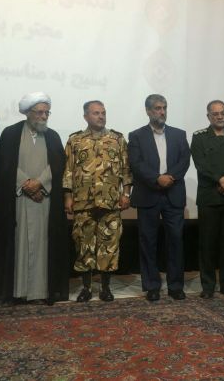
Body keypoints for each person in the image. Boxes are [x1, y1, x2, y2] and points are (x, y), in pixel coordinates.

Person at [0, 92, 70, 305]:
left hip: (45, 200)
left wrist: (40, 183)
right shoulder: (11, 133)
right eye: (39, 112)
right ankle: (16, 292)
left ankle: (39, 292)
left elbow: (58, 165)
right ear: (28, 113)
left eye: (47, 112)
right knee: (17, 245)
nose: (44, 116)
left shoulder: (53, 136)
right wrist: (26, 184)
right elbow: (5, 165)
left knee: (42, 246)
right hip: (17, 200)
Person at [63, 101, 132, 303]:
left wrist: (126, 194)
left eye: (103, 113)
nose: (101, 116)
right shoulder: (75, 140)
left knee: (108, 246)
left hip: (110, 203)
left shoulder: (117, 139)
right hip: (83, 203)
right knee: (83, 246)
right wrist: (68, 197)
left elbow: (126, 170)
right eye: (96, 113)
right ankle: (86, 288)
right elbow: (68, 171)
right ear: (86, 116)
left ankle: (105, 288)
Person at [128, 94, 190, 302]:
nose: (162, 112)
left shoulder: (179, 134)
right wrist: (157, 178)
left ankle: (176, 286)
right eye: (157, 108)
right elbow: (136, 164)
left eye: (164, 108)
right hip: (148, 194)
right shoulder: (136, 136)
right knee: (148, 242)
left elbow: (185, 160)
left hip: (173, 194)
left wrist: (170, 177)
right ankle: (152, 286)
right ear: (148, 111)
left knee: (176, 241)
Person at [190, 100, 224, 299]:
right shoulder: (199, 137)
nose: (220, 117)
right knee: (207, 244)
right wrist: (220, 179)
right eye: (215, 114)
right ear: (208, 117)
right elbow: (200, 164)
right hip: (209, 198)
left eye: (223, 113)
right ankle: (208, 286)